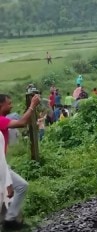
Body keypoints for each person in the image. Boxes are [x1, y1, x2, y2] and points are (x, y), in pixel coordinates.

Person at [0, 93, 40, 230]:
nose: (11, 105)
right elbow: (22, 123)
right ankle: (9, 220)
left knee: (21, 186)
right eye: (9, 103)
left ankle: (9, 219)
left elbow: (23, 121)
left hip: (3, 164)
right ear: (1, 105)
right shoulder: (0, 120)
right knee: (19, 187)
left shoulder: (3, 120)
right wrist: (32, 106)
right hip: (1, 165)